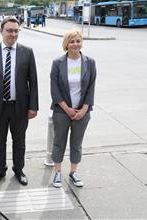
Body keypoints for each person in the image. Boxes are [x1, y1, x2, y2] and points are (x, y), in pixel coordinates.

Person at [0, 17, 39, 186]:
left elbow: (33, 81)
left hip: (20, 108)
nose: (13, 34)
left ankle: (19, 169)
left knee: (19, 142)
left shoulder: (27, 52)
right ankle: (0, 170)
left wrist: (33, 106)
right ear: (1, 31)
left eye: (16, 30)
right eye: (9, 30)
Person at [50, 29, 96, 188]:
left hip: (82, 112)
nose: (75, 44)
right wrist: (67, 108)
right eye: (72, 41)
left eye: (78, 41)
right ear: (66, 44)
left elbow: (91, 87)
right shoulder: (58, 63)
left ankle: (73, 172)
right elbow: (54, 89)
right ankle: (57, 172)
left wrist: (84, 109)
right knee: (59, 142)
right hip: (62, 111)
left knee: (76, 143)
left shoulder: (90, 62)